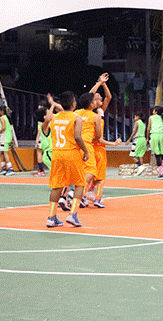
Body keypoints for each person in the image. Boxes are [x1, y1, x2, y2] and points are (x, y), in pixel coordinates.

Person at [46, 91, 89, 228]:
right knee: (80, 184)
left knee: (56, 185)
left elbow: (47, 131)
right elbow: (77, 136)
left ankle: (51, 217)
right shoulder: (76, 118)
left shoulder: (55, 117)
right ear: (73, 103)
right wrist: (86, 150)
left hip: (57, 153)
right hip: (71, 152)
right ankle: (73, 215)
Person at [89, 73, 121, 208]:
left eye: (100, 97)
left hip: (94, 147)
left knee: (92, 177)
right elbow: (90, 94)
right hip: (95, 147)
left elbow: (109, 97)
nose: (100, 97)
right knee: (98, 177)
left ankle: (85, 195)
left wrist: (103, 83)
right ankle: (95, 198)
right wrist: (98, 83)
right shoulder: (90, 111)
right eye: (97, 97)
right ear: (92, 101)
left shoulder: (100, 111)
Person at [75, 92, 102, 209]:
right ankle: (79, 193)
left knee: (79, 170)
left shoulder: (76, 113)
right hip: (86, 144)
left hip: (75, 145)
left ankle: (72, 195)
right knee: (91, 170)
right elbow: (99, 136)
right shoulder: (95, 116)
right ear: (91, 104)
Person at [147, 106, 163, 179]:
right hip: (162, 135)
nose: (152, 111)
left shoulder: (151, 117)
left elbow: (148, 128)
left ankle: (161, 173)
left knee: (157, 155)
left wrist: (147, 138)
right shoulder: (162, 118)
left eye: (153, 110)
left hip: (154, 135)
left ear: (155, 111)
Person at [0, 106, 15, 176]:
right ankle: (3, 168)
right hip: (8, 137)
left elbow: (3, 127)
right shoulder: (8, 118)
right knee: (1, 152)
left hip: (5, 138)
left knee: (5, 152)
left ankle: (10, 168)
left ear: (2, 111)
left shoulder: (2, 118)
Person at [33, 99, 50, 176]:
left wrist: (37, 138)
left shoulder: (42, 116)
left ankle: (41, 170)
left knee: (39, 152)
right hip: (47, 138)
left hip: (41, 137)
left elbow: (40, 129)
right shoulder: (49, 116)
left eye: (40, 107)